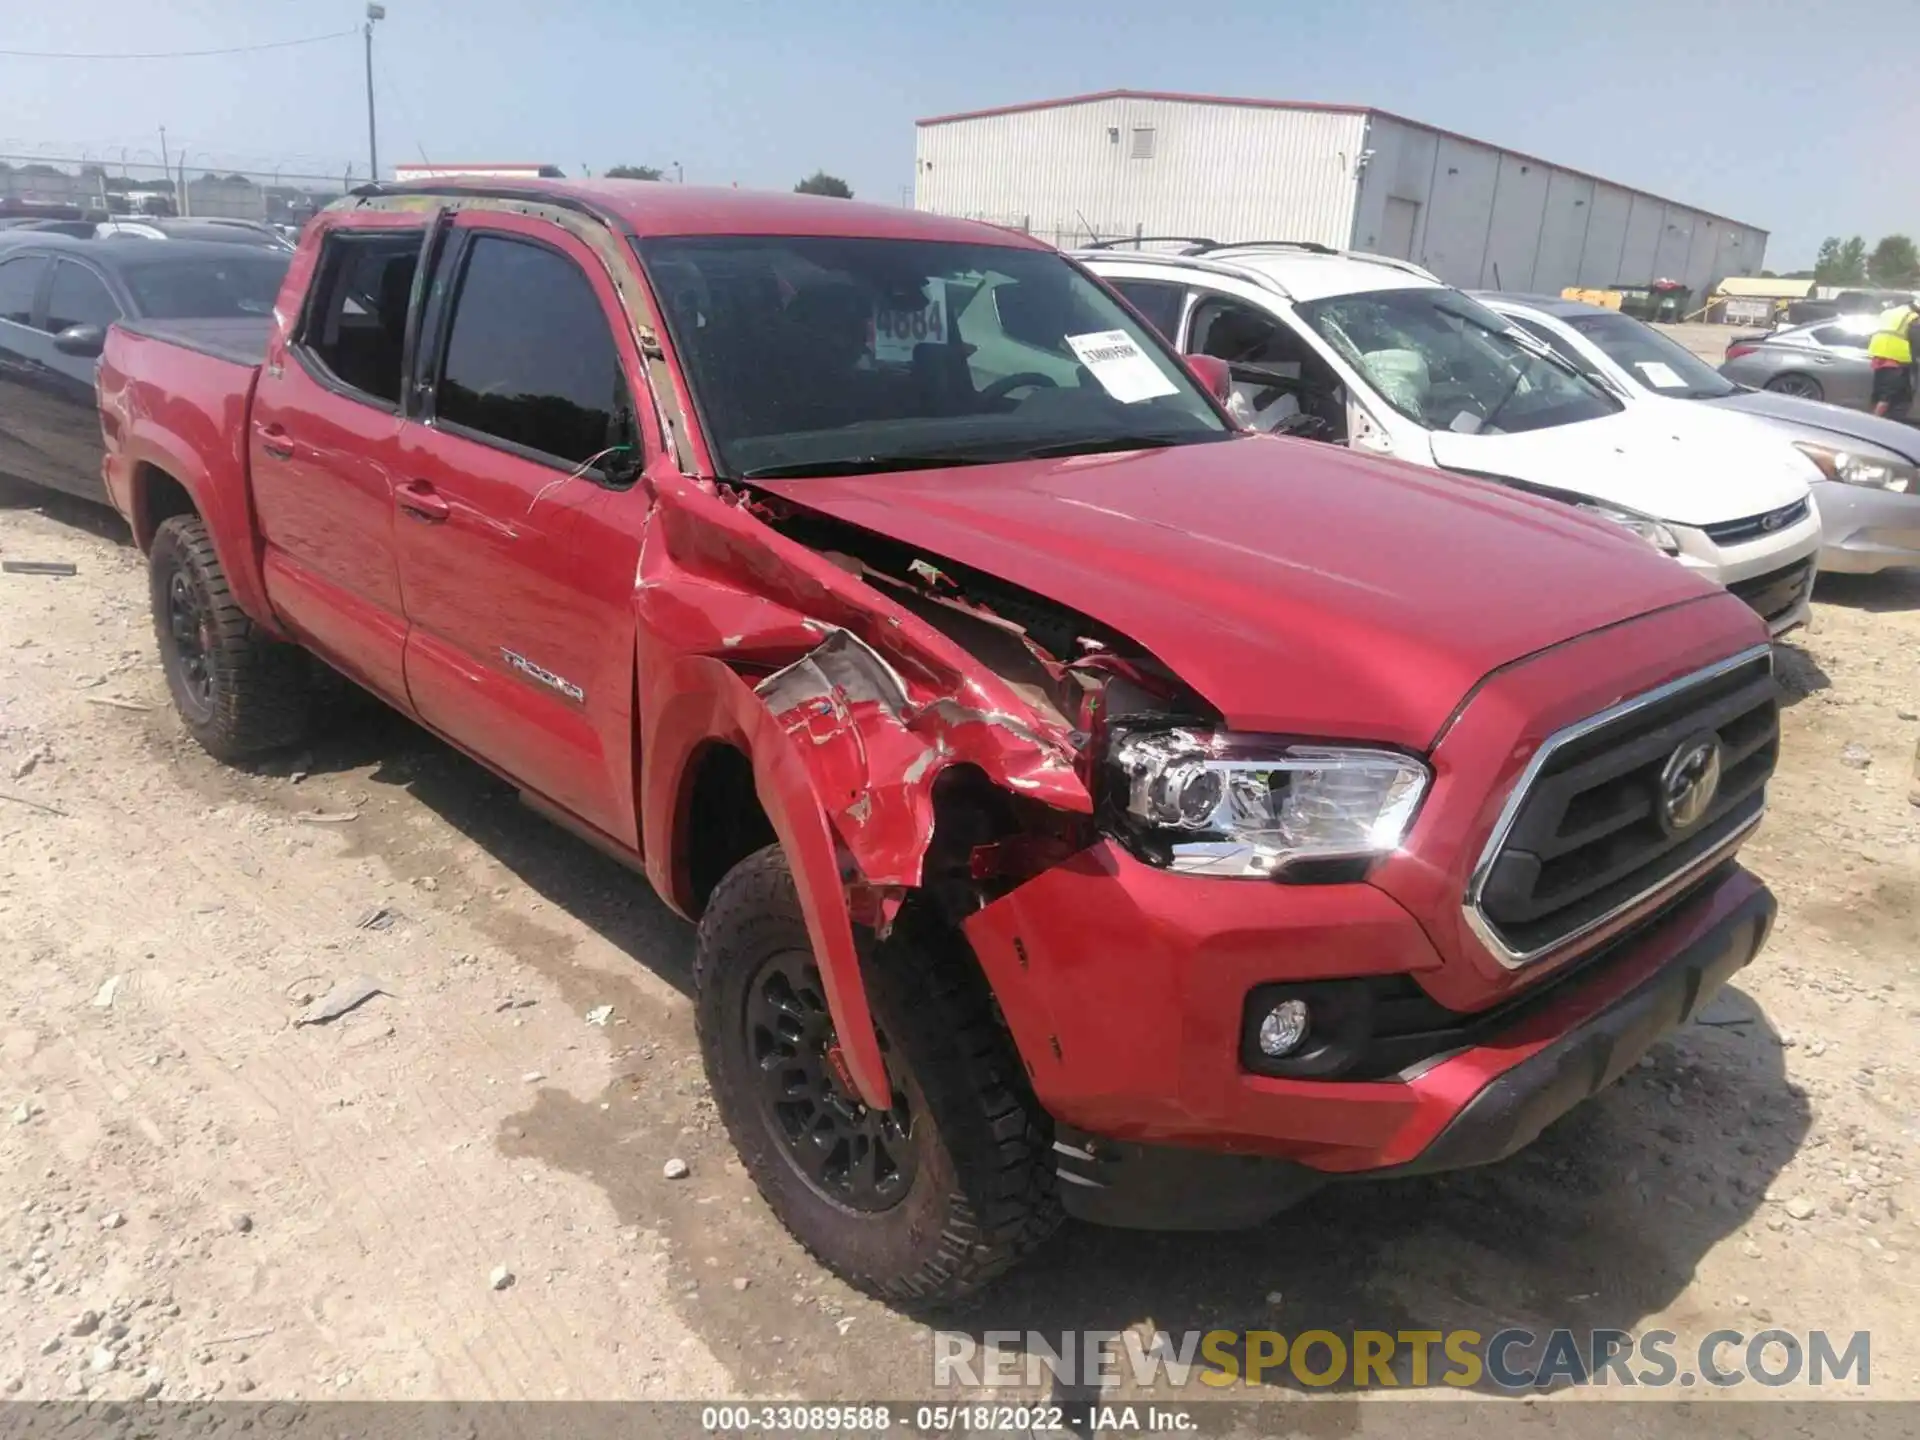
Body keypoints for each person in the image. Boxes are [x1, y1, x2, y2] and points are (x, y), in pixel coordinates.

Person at [1867, 294, 1920, 420]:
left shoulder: (1889, 313)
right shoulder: (1913, 318)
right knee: (1888, 397)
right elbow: (1916, 340)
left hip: (1880, 356)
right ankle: (1872, 423)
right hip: (1897, 359)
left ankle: (1891, 422)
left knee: (1890, 395)